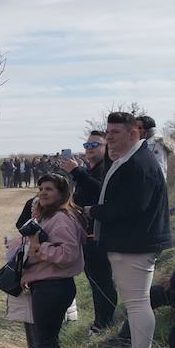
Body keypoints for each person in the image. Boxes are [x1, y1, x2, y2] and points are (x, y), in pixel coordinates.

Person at [84, 112, 172, 348]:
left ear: (134, 134)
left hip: (137, 244)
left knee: (137, 302)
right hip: (131, 242)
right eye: (108, 132)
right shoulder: (130, 159)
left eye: (116, 132)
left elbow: (131, 207)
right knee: (135, 302)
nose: (109, 137)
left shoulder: (140, 164)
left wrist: (93, 211)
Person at [16, 174, 86, 348]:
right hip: (45, 286)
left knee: (46, 344)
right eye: (41, 188)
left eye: (49, 189)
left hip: (53, 288)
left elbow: (68, 255)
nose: (43, 193)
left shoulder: (61, 219)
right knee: (47, 343)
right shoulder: (46, 216)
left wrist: (37, 248)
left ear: (61, 193)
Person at [62, 131, 119, 333]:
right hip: (87, 233)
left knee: (102, 282)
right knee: (95, 282)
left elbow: (101, 193)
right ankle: (101, 322)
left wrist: (78, 172)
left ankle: (104, 324)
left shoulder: (107, 168)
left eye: (95, 145)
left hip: (99, 235)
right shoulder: (90, 170)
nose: (89, 148)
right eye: (87, 145)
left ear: (105, 148)